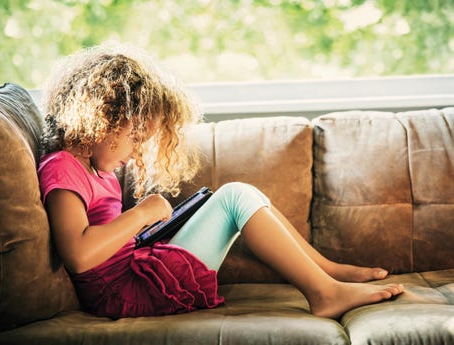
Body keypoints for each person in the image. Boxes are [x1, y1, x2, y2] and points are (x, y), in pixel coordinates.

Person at [38, 43, 403, 320]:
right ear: (101, 117)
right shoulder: (63, 168)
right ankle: (325, 293)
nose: (134, 154)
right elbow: (80, 255)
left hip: (136, 270)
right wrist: (141, 214)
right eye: (135, 138)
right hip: (126, 292)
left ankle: (328, 272)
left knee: (244, 195)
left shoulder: (95, 169)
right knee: (235, 198)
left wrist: (148, 229)